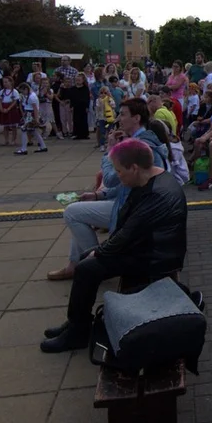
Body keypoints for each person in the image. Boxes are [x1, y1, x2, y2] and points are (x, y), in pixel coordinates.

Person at [40, 138, 188, 353]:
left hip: (156, 260)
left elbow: (126, 235)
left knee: (85, 268)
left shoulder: (157, 194)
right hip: (148, 249)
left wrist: (99, 252)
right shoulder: (152, 179)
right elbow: (125, 226)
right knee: (85, 260)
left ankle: (78, 332)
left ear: (134, 168)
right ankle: (77, 323)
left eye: (119, 171)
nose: (117, 177)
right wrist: (98, 251)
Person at [47, 98, 169, 280]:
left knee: (72, 212)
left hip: (133, 210)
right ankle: (74, 264)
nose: (119, 118)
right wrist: (98, 195)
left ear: (136, 118)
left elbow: (112, 179)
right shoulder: (138, 141)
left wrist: (110, 151)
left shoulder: (138, 146)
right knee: (79, 213)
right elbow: (122, 184)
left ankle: (98, 264)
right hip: (130, 204)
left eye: (123, 114)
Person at [14, 82, 48, 155]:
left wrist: (36, 119)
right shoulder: (30, 95)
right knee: (33, 131)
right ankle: (43, 146)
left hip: (30, 114)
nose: (22, 93)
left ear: (26, 89)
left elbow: (35, 109)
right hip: (29, 113)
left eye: (23, 91)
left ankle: (24, 149)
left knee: (24, 129)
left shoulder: (31, 97)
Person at [0, 76, 21, 146]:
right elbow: (0, 100)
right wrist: (1, 108)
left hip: (11, 108)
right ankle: (6, 140)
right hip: (4, 107)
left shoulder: (14, 91)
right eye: (4, 82)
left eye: (6, 82)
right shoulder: (2, 91)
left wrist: (9, 108)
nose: (5, 84)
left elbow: (15, 101)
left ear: (11, 82)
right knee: (5, 126)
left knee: (13, 126)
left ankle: (13, 140)